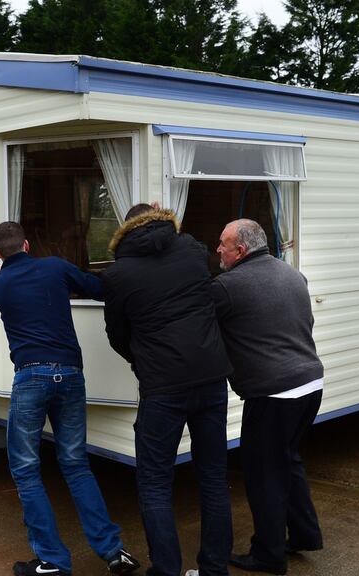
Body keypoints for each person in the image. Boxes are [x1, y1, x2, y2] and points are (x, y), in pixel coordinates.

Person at [0, 221, 140, 576]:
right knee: (76, 463)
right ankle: (113, 552)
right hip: (70, 373)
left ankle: (53, 561)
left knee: (26, 469)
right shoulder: (54, 266)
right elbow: (99, 287)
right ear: (26, 244)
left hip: (30, 376)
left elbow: (9, 288)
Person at [102, 204, 233, 576]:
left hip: (162, 387)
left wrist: (141, 358)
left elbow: (117, 336)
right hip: (211, 377)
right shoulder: (192, 249)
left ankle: (166, 570)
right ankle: (213, 569)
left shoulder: (118, 274)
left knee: (155, 483)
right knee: (212, 477)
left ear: (125, 230)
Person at [209, 219, 325, 575]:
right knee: (287, 460)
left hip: (274, 394)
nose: (217, 250)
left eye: (222, 244)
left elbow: (195, 323)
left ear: (240, 251)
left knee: (263, 474)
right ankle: (305, 534)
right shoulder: (293, 275)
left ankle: (268, 555)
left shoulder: (226, 287)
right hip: (311, 383)